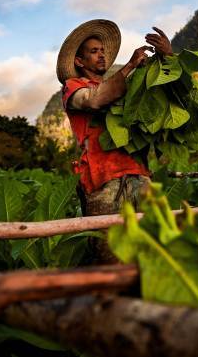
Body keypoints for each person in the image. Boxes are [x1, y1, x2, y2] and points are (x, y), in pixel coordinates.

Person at [56, 19, 173, 215]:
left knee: (154, 239)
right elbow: (94, 100)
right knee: (107, 243)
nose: (101, 55)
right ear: (79, 61)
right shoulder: (73, 87)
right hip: (102, 179)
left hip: (140, 174)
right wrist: (130, 65)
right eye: (93, 52)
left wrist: (168, 56)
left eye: (102, 50)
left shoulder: (124, 86)